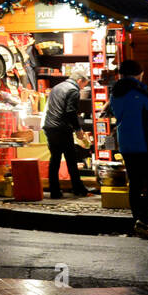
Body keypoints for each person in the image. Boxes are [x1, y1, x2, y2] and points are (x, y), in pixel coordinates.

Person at [109, 59, 148, 239]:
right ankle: (144, 221)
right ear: (140, 74)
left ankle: (139, 221)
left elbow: (134, 112)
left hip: (127, 144)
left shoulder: (115, 93)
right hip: (144, 143)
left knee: (135, 184)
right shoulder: (137, 91)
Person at [44, 69, 94, 198]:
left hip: (50, 126)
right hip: (62, 128)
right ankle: (79, 189)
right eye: (84, 84)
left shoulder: (57, 87)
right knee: (71, 159)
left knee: (55, 159)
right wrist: (78, 129)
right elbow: (70, 112)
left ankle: (54, 191)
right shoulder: (73, 90)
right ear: (79, 81)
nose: (84, 87)